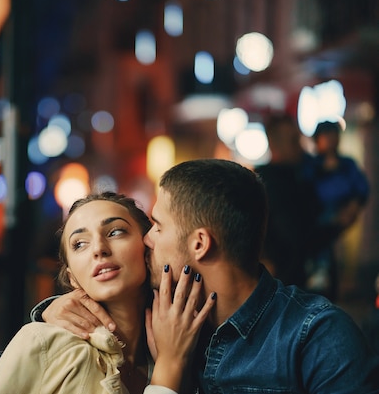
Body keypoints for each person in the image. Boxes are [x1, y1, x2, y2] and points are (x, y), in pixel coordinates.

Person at [33, 159, 379, 393]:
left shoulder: (316, 336)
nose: (147, 239)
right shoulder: (158, 312)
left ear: (199, 244)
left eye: (157, 226)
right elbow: (102, 300)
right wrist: (53, 308)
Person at [0, 192, 215, 394]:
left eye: (115, 232)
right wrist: (169, 367)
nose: (99, 249)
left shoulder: (184, 342)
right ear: (72, 277)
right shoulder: (45, 342)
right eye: (80, 244)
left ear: (148, 247)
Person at [302, 120, 370, 300]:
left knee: (346, 257)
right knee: (321, 264)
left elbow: (361, 187)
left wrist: (353, 205)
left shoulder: (347, 164)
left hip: (344, 218)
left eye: (334, 136)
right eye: (327, 136)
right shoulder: (309, 165)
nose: (331, 140)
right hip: (317, 223)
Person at [254, 115, 324, 288]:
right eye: (294, 141)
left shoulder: (299, 177)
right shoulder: (272, 183)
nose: (300, 147)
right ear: (274, 143)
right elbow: (295, 235)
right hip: (283, 283)